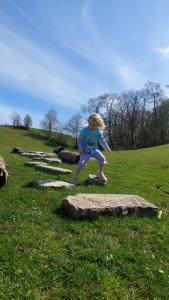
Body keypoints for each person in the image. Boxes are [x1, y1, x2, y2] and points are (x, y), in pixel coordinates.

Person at [71, 113, 112, 184]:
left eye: (94, 125)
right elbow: (79, 140)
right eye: (90, 124)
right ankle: (75, 177)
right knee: (81, 163)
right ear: (88, 122)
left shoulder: (98, 132)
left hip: (94, 150)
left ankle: (100, 173)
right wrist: (80, 148)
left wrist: (107, 149)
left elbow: (102, 141)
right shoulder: (84, 131)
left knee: (102, 159)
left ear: (98, 125)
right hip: (85, 151)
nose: (91, 126)